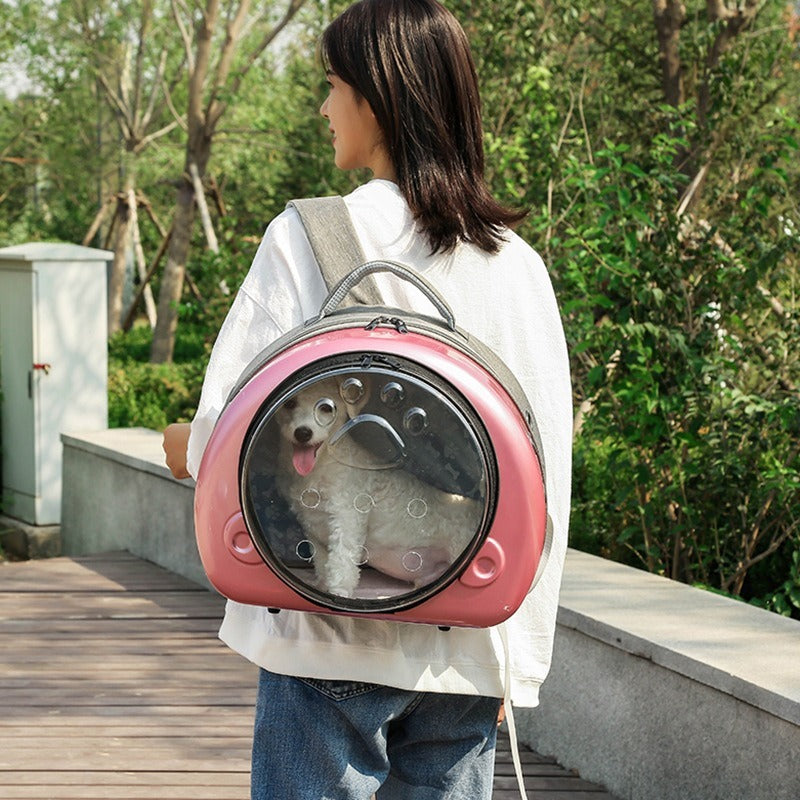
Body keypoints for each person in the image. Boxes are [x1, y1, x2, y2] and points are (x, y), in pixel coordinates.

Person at [163, 1, 572, 798]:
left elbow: (228, 434)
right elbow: (545, 475)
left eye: (331, 85)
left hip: (328, 630)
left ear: (377, 99)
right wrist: (514, 662)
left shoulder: (309, 235)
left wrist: (180, 444)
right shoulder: (519, 266)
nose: (323, 108)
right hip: (468, 636)